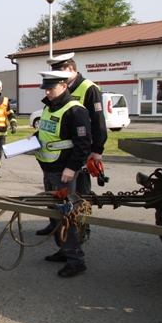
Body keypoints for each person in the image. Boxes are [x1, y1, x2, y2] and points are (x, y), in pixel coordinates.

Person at [36, 53, 107, 235]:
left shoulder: (88, 88)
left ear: (69, 69)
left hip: (80, 151)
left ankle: (81, 228)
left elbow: (98, 121)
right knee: (58, 196)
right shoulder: (55, 92)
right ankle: (56, 226)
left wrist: (97, 150)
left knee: (79, 194)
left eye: (58, 70)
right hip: (62, 154)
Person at [32, 71, 91, 277]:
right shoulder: (50, 106)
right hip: (49, 168)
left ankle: (76, 260)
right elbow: (45, 132)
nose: (47, 91)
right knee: (55, 212)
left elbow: (83, 144)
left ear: (64, 86)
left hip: (64, 170)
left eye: (51, 88)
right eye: (45, 88)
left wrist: (72, 168)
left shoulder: (75, 111)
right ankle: (64, 250)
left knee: (67, 215)